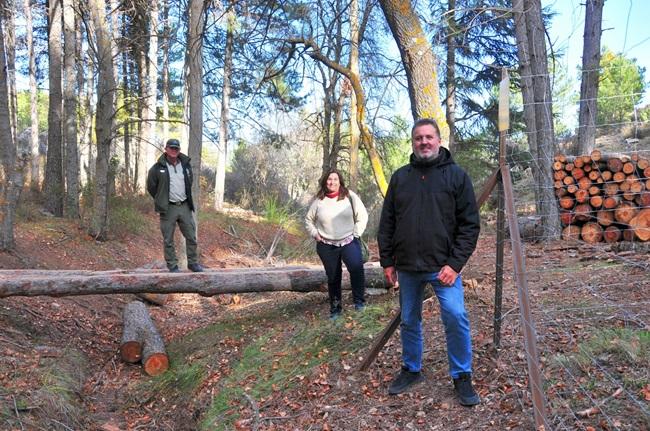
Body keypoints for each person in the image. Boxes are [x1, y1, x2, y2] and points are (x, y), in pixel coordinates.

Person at [377, 118, 481, 406]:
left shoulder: (456, 176)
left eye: (428, 137)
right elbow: (386, 223)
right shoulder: (400, 178)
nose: (424, 142)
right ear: (412, 143)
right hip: (408, 267)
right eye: (418, 138)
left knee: (455, 317)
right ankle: (411, 370)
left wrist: (455, 264)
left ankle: (462, 375)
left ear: (438, 140)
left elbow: (470, 226)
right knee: (409, 320)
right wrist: (388, 261)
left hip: (443, 268)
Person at [305, 169, 369, 319]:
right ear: (325, 182)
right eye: (329, 179)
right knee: (333, 277)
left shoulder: (349, 196)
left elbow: (363, 215)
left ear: (340, 181)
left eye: (335, 179)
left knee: (356, 269)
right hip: (327, 245)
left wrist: (356, 233)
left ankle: (359, 303)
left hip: (349, 241)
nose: (331, 182)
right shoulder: (319, 201)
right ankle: (335, 309)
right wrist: (315, 233)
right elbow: (308, 220)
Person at [146, 138, 204, 273]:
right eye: (171, 148)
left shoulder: (185, 165)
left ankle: (193, 263)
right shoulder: (157, 168)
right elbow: (151, 187)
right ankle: (172, 266)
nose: (173, 150)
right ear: (166, 149)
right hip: (168, 207)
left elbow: (190, 182)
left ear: (179, 150)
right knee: (168, 239)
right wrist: (161, 199)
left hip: (184, 205)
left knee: (191, 236)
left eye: (176, 148)